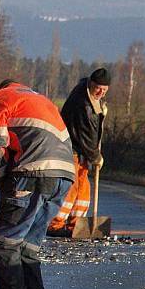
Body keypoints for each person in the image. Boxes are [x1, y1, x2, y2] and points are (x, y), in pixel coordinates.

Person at [0, 82, 75, 289]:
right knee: (27, 248)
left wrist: (2, 181)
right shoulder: (33, 97)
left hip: (34, 172)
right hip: (64, 175)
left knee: (4, 244)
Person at [47, 68, 110, 236]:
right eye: (98, 88)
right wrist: (96, 157)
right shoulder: (84, 104)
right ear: (91, 84)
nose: (101, 93)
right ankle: (55, 224)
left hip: (79, 151)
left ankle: (75, 225)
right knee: (71, 187)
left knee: (83, 189)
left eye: (104, 90)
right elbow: (86, 135)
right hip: (71, 150)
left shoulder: (88, 95)